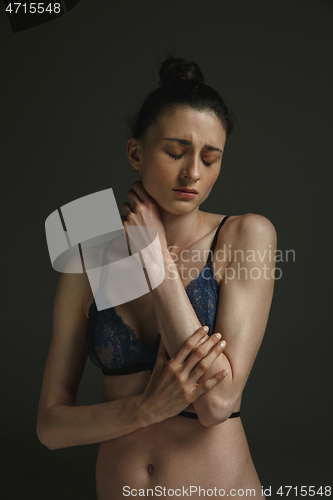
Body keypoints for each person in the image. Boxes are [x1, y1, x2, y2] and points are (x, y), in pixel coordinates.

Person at [36, 57, 277, 499]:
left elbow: (217, 403)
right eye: (175, 152)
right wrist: (145, 409)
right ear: (135, 153)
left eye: (211, 158)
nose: (193, 174)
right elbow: (50, 428)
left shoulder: (245, 235)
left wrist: (156, 262)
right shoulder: (89, 257)